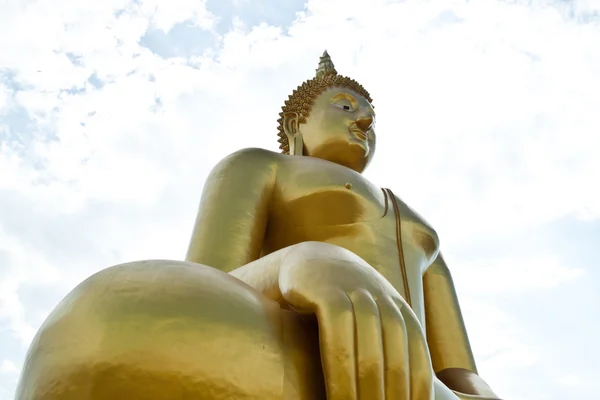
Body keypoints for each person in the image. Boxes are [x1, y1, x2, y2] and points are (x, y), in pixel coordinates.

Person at [16, 51, 501, 400]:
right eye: (345, 106)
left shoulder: (417, 226)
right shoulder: (260, 166)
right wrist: (304, 260)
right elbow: (208, 284)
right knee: (107, 315)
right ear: (297, 124)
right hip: (300, 353)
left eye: (369, 116)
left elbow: (460, 369)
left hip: (417, 386)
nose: (363, 122)